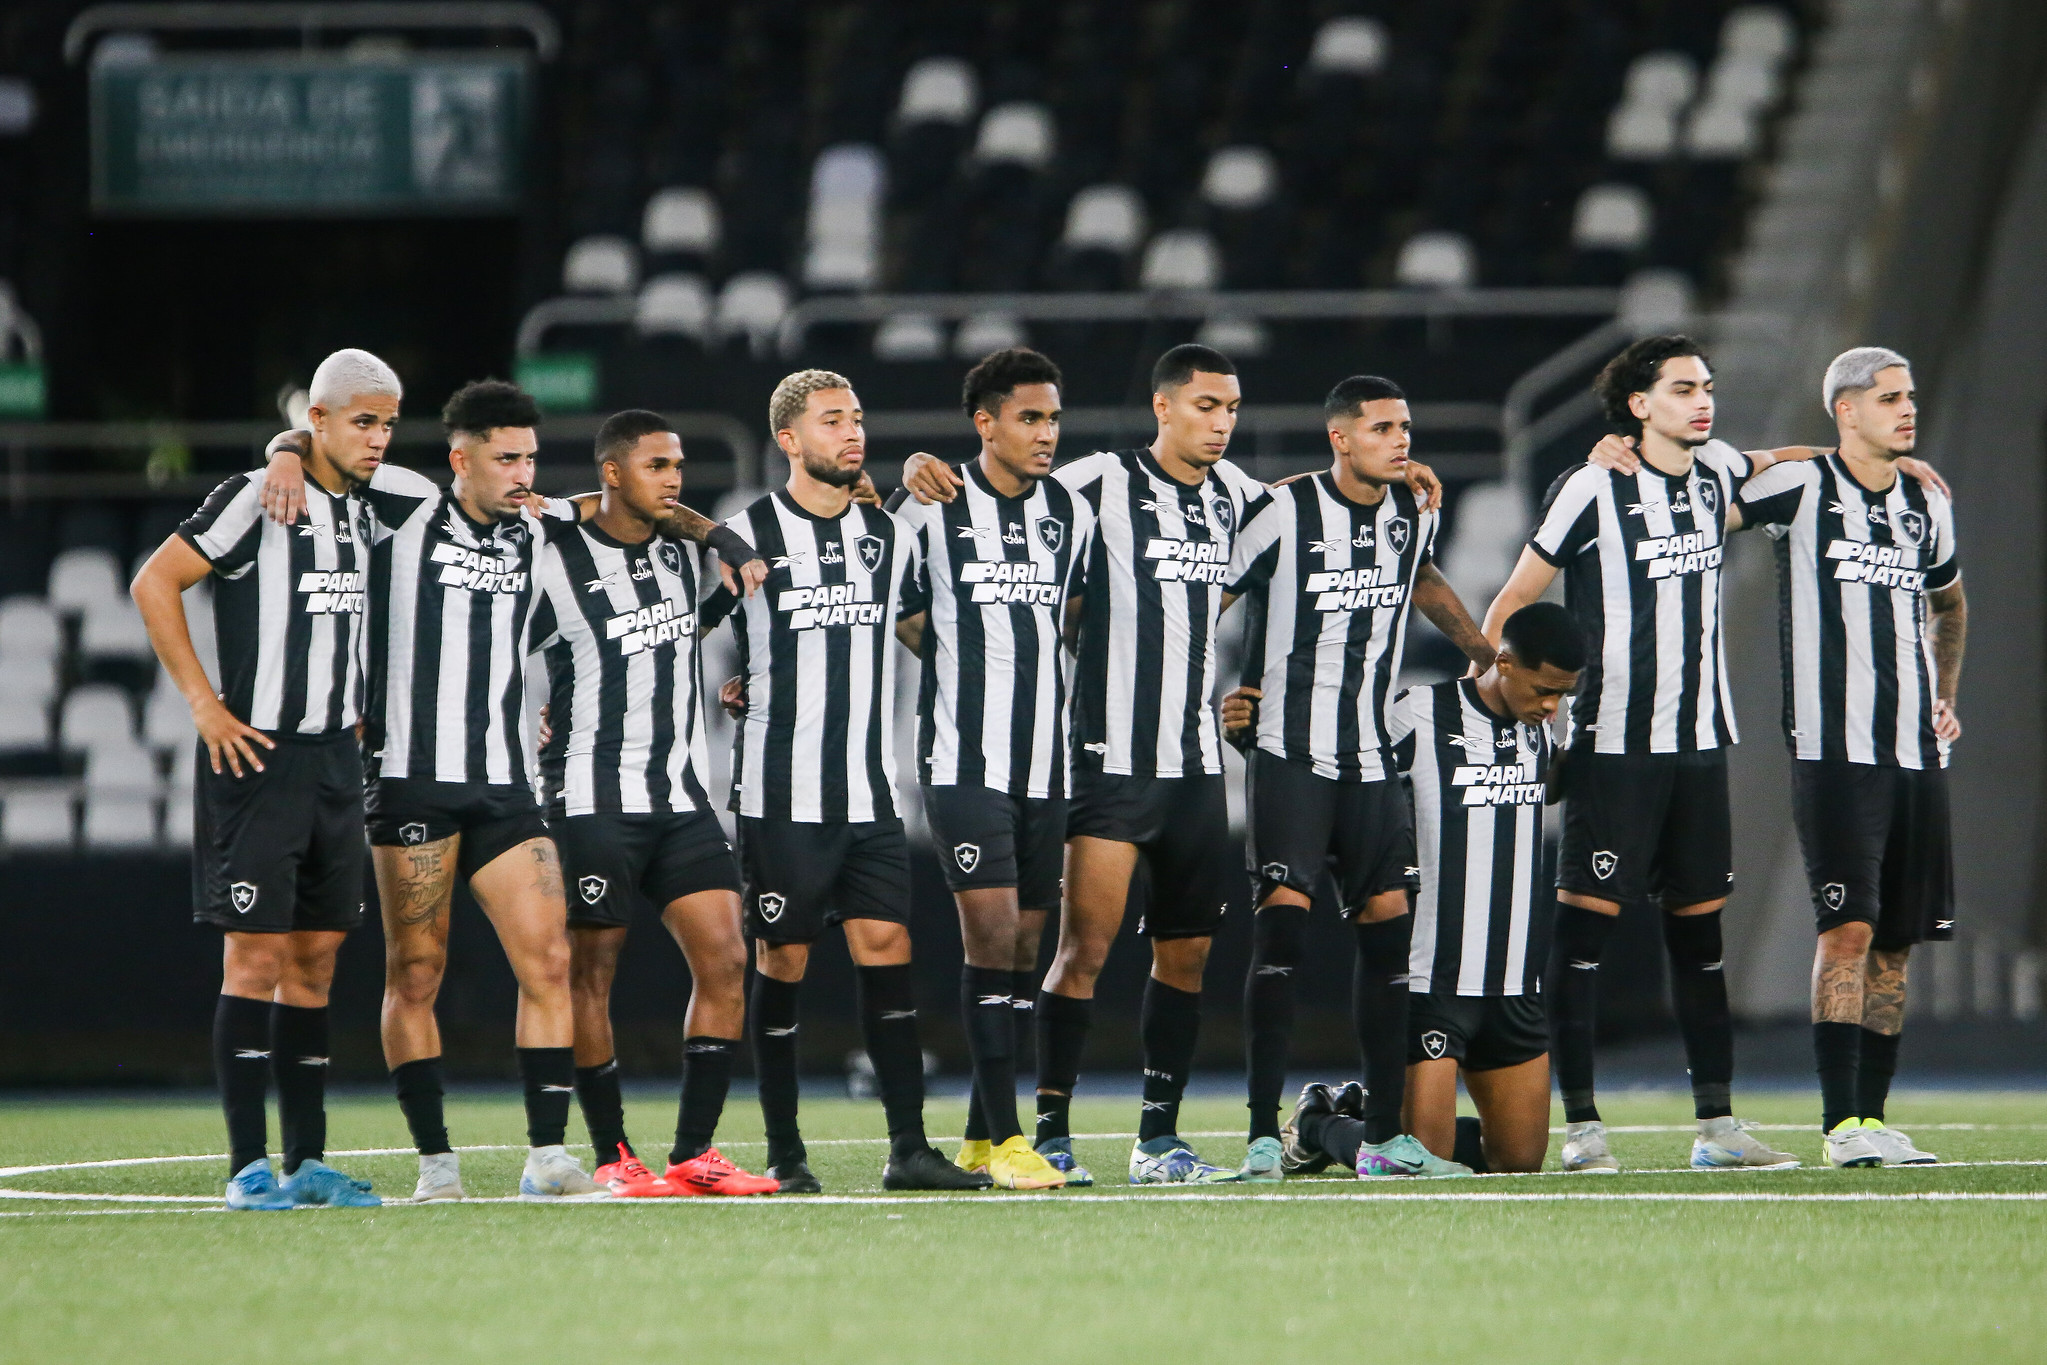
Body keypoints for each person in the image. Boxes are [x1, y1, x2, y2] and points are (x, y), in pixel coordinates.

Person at [902, 345, 1443, 1185]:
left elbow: (1323, 522)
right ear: (1163, 409)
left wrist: (1401, 470)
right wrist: (920, 468)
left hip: (1195, 766)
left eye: (1230, 408)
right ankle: (1049, 1130)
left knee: (1184, 957)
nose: (1220, 422)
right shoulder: (1093, 484)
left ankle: (1158, 1139)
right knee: (1081, 948)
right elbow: (999, 492)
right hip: (1106, 758)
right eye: (1204, 406)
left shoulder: (1242, 499)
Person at [1482, 335, 1800, 1173]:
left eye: (1707, 385)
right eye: (1684, 387)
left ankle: (1717, 1127)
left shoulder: (1718, 471)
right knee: (1582, 938)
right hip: (1610, 744)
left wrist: (1884, 460)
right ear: (1637, 405)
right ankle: (1583, 1128)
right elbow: (1515, 597)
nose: (1703, 400)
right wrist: (1497, 700)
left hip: (1698, 744)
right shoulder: (1591, 484)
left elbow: (1791, 459)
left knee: (1699, 942)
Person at [710, 369, 990, 1193]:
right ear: (789, 440)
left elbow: (916, 626)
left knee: (887, 950)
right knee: (784, 961)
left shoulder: (886, 536)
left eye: (858, 418)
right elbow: (679, 630)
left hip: (868, 793)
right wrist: (735, 686)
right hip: (778, 792)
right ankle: (785, 1153)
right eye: (832, 421)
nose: (853, 433)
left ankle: (908, 1147)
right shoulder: (745, 533)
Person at [130, 348, 393, 1211]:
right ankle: (248, 1166)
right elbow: (155, 581)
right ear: (318, 419)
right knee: (254, 955)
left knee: (316, 961)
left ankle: (305, 1159)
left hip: (333, 760)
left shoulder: (363, 506)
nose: (379, 438)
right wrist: (204, 705)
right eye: (364, 421)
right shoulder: (258, 493)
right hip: (260, 757)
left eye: (388, 423)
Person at [1218, 374, 1495, 1180]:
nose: (1400, 440)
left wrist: (1479, 649)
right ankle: (1263, 1137)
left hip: (1373, 760)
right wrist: (1224, 693)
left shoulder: (1413, 507)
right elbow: (1213, 597)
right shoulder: (1283, 510)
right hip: (1289, 755)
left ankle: (1381, 1136)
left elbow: (1422, 578)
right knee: (1281, 939)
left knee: (1388, 944)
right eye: (1381, 428)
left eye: (1404, 426)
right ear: (1340, 437)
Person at [528, 409, 777, 1197]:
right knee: (591, 972)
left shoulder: (678, 550)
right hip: (591, 794)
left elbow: (686, 628)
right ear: (611, 472)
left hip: (678, 794)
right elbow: (485, 645)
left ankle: (695, 1151)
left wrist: (715, 540)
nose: (673, 479)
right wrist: (523, 715)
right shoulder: (555, 556)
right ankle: (612, 1154)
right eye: (656, 465)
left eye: (677, 465)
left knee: (728, 957)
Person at [1733, 348, 1962, 1168]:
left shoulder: (1924, 502)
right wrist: (1622, 451)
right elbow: (1701, 498)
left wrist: (1945, 691)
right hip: (1835, 750)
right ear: (1844, 410)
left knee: (1895, 944)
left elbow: (1949, 600)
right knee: (1847, 930)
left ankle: (1873, 1117)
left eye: (1909, 395)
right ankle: (1839, 1125)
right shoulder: (1801, 489)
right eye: (1889, 397)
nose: (1907, 410)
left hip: (1913, 754)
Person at [1284, 603, 1584, 1178]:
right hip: (1432, 978)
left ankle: (1363, 1108)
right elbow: (1346, 784)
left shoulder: (1540, 731)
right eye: (1544, 690)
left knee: (1518, 1161)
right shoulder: (1420, 714)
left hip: (1514, 981)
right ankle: (1320, 1123)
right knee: (1424, 1161)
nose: (1550, 706)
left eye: (1562, 695)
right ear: (1503, 661)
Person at [889, 349, 1089, 1190]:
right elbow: (900, 614)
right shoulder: (929, 505)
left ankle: (977, 1136)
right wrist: (973, 664)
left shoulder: (1069, 513)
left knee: (1032, 942)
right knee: (994, 934)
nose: (1046, 434)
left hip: (1047, 761)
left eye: (1051, 418)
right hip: (965, 758)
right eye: (1028, 418)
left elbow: (1071, 614)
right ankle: (1009, 1138)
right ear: (985, 422)